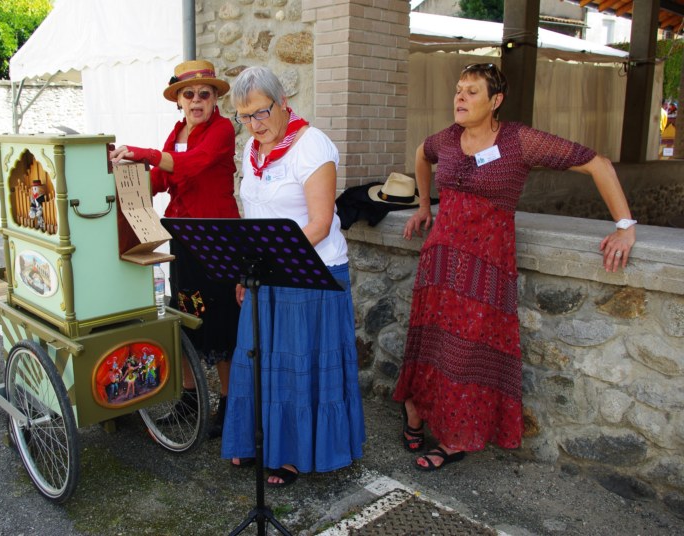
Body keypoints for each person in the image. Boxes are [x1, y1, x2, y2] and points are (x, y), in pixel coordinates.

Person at [394, 63, 636, 472]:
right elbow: (421, 154)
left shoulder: (519, 141)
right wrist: (423, 206)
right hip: (439, 264)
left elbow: (599, 163)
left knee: (467, 353)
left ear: (496, 100)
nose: (460, 97)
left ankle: (454, 437)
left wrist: (625, 226)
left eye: (472, 91)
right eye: (458, 89)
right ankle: (415, 410)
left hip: (486, 269)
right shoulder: (447, 139)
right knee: (431, 341)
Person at [220, 66, 366, 487]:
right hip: (266, 271)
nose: (254, 124)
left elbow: (319, 223)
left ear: (283, 102)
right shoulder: (252, 149)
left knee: (295, 367)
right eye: (244, 117)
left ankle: (293, 454)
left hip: (310, 274)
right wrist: (245, 269)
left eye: (261, 113)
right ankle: (257, 440)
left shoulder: (312, 145)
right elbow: (254, 214)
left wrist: (270, 261)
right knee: (262, 359)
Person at [109, 60, 241, 438]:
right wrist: (119, 189)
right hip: (183, 235)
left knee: (220, 321)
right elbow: (161, 179)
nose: (196, 100)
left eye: (204, 94)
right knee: (184, 311)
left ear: (214, 99)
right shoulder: (177, 131)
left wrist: (145, 153)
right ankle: (190, 400)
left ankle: (230, 406)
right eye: (189, 94)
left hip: (216, 239)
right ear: (178, 101)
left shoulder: (222, 130)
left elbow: (191, 164)